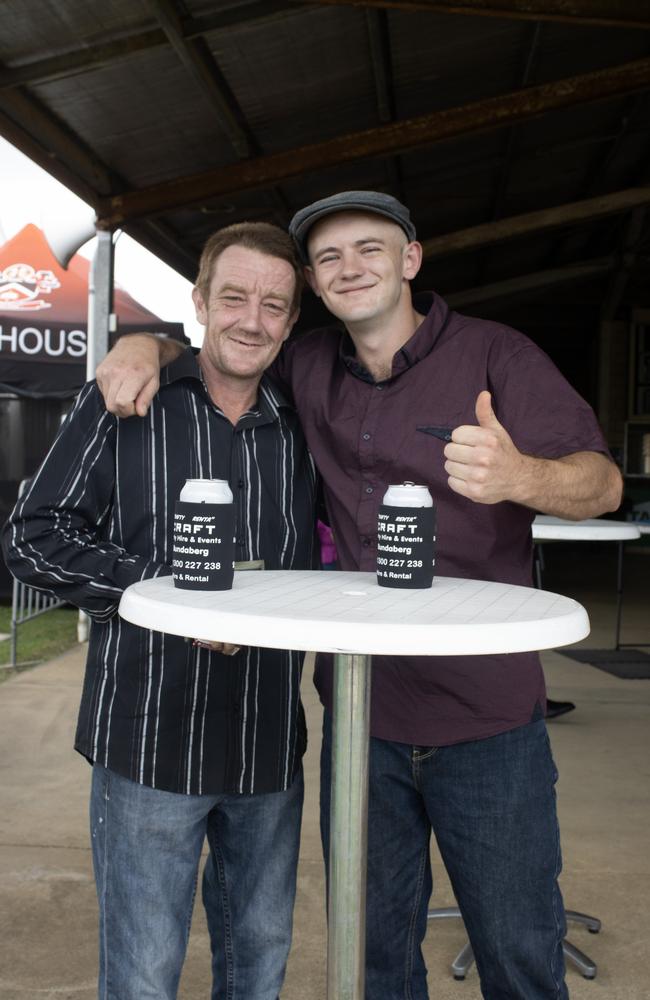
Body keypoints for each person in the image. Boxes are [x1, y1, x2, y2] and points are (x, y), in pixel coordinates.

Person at [94, 191, 622, 1000]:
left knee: (517, 953)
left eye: (371, 248)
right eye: (331, 257)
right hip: (361, 721)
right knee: (373, 959)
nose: (352, 267)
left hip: (486, 724)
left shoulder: (497, 356)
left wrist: (523, 476)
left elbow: (604, 484)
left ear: (411, 259)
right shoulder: (305, 366)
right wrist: (142, 343)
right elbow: (229, 339)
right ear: (316, 282)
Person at [2, 222, 318, 1000]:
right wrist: (168, 596)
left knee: (260, 956)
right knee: (144, 972)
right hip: (148, 740)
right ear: (199, 303)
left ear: (291, 321)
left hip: (267, 744)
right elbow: (32, 536)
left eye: (274, 305)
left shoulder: (306, 424)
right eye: (235, 297)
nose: (253, 319)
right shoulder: (123, 399)